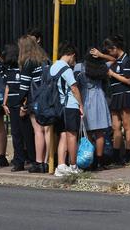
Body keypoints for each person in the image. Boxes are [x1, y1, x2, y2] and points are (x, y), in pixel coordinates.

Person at [91, 35, 130, 165]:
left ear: (115, 48)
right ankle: (116, 156)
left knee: (127, 126)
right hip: (115, 95)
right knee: (115, 126)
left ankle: (128, 155)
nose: (109, 54)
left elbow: (129, 80)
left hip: (124, 94)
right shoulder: (116, 60)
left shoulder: (127, 60)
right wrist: (100, 55)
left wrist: (113, 74)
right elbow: (111, 58)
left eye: (110, 51)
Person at [18, 35, 51, 173]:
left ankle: (39, 162)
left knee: (38, 131)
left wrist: (21, 102)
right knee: (47, 130)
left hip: (35, 98)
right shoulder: (46, 60)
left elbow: (24, 86)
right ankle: (48, 161)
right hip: (49, 97)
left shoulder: (28, 62)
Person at [52, 43, 85, 177]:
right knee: (72, 136)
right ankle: (73, 165)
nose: (74, 61)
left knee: (63, 135)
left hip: (58, 106)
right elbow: (74, 88)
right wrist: (81, 105)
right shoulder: (66, 69)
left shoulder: (52, 67)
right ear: (71, 55)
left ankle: (60, 165)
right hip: (70, 105)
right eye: (74, 58)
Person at [2, 43, 35, 172]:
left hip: (21, 105)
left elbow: (25, 87)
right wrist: (4, 103)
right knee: (16, 134)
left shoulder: (23, 68)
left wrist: (24, 105)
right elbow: (7, 87)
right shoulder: (8, 70)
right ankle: (19, 161)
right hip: (12, 105)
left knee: (26, 134)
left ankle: (32, 160)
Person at [78, 51, 112, 171]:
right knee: (99, 133)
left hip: (86, 98)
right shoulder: (102, 67)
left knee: (88, 133)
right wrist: (102, 55)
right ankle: (100, 161)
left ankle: (89, 160)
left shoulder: (81, 67)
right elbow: (114, 60)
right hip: (99, 99)